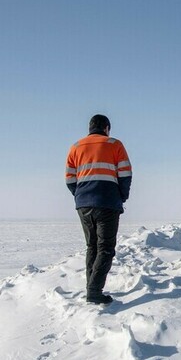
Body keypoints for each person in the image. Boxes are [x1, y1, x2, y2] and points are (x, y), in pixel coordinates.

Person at [65, 114, 132, 304]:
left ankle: (91, 288)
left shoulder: (76, 147)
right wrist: (121, 196)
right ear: (106, 128)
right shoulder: (114, 144)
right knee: (106, 248)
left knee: (92, 246)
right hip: (107, 202)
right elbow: (125, 174)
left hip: (83, 204)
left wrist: (80, 195)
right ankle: (94, 292)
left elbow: (69, 178)